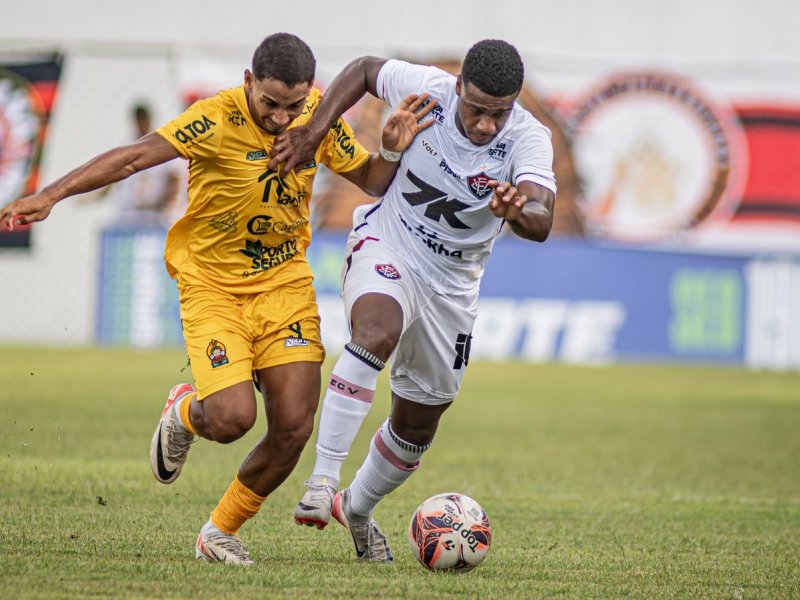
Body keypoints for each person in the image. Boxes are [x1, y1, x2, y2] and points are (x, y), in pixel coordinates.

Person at [0, 33, 436, 566]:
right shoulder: (214, 118)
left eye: (293, 105)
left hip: (284, 286)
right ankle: (186, 412)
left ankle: (219, 531)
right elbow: (133, 158)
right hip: (213, 286)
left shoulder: (317, 118)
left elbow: (370, 179)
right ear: (249, 82)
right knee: (231, 419)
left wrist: (390, 148)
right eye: (270, 103)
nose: (281, 118)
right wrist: (50, 194)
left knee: (294, 425)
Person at [269, 39, 557, 563]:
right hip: (389, 243)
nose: (486, 125)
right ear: (459, 87)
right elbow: (363, 69)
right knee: (375, 333)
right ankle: (321, 481)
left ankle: (355, 506)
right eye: (476, 109)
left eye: (499, 113)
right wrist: (312, 132)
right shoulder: (428, 90)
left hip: (453, 286)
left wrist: (518, 211)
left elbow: (542, 218)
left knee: (418, 423)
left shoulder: (528, 138)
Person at [110, 103, 183, 227]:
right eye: (139, 120)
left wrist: (168, 205)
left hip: (156, 213)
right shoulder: (127, 144)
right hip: (130, 212)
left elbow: (174, 176)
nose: (142, 124)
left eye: (144, 119)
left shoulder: (160, 143)